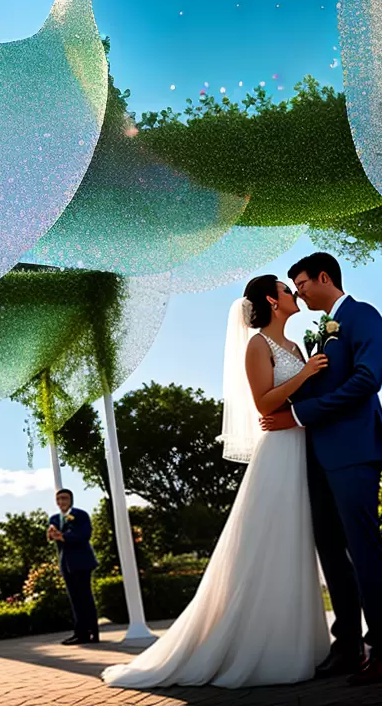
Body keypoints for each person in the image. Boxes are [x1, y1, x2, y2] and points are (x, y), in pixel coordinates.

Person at [102, 275, 330, 690]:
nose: (292, 293)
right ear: (270, 300)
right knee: (270, 541)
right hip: (277, 451)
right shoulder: (257, 346)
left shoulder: (297, 347)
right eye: (285, 288)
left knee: (296, 542)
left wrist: (308, 370)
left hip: (301, 446)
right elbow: (263, 401)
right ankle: (258, 647)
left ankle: (301, 642)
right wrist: (306, 374)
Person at [261, 252, 382, 684]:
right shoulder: (320, 335)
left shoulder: (363, 316)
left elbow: (367, 380)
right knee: (332, 555)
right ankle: (347, 645)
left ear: (324, 277)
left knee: (363, 550)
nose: (299, 291)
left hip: (355, 451)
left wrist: (301, 414)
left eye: (301, 283)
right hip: (317, 458)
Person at [48, 489, 99, 645]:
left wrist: (63, 536)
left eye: (65, 498)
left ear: (71, 499)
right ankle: (80, 632)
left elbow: (85, 534)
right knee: (75, 599)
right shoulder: (55, 518)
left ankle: (92, 633)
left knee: (85, 597)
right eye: (59, 499)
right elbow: (53, 537)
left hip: (82, 561)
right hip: (66, 563)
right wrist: (51, 534)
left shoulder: (80, 515)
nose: (62, 502)